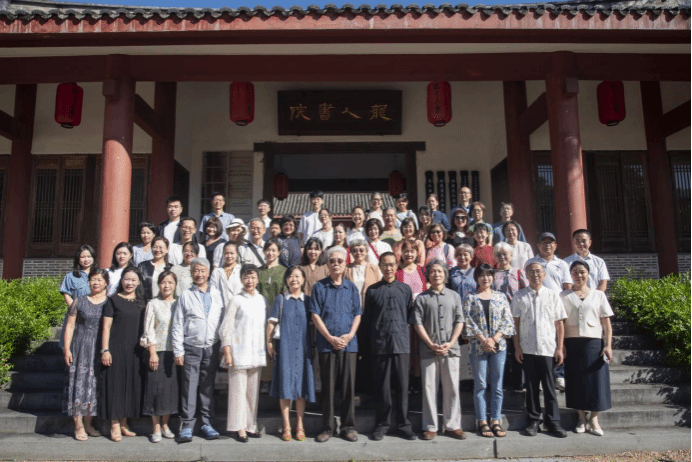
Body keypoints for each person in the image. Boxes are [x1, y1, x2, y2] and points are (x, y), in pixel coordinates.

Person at [310, 246, 362, 443]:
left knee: (348, 388)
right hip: (327, 344)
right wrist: (330, 337)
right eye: (332, 261)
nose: (336, 264)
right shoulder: (319, 287)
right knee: (328, 389)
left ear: (345, 264)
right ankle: (328, 427)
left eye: (340, 261)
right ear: (327, 264)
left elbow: (358, 314)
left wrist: (349, 336)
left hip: (349, 345)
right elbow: (315, 315)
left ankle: (348, 427)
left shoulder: (351, 287)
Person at [410, 260, 466, 440]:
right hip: (429, 350)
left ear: (445, 274)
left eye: (440, 271)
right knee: (429, 388)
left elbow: (460, 320)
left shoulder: (454, 296)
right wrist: (430, 343)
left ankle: (452, 425)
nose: (436, 274)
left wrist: (451, 342)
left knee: (452, 388)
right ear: (428, 275)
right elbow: (417, 323)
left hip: (451, 349)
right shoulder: (422, 298)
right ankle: (430, 426)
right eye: (433, 271)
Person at [511, 261, 568, 438]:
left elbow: (559, 324)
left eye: (538, 271)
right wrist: (517, 347)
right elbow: (515, 324)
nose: (535, 275)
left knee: (550, 388)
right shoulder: (519, 296)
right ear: (526, 275)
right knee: (531, 387)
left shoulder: (553, 295)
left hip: (548, 348)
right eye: (531, 272)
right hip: (527, 349)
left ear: (544, 274)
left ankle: (554, 422)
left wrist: (559, 347)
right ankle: (534, 420)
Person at [171, 258, 224, 443]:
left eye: (202, 271)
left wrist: (222, 346)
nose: (199, 274)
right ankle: (187, 425)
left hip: (212, 346)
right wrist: (178, 350)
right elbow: (177, 324)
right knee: (189, 387)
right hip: (191, 347)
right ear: (192, 273)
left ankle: (206, 423)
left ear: (208, 273)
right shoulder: (186, 295)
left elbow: (222, 321)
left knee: (207, 387)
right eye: (196, 271)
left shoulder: (217, 294)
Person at [364, 252, 416, 441]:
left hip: (401, 343)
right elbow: (368, 320)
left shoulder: (405, 289)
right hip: (380, 344)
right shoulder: (372, 291)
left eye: (392, 264)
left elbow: (409, 315)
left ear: (397, 266)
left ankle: (403, 424)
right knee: (382, 387)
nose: (389, 268)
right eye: (385, 265)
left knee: (403, 386)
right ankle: (382, 424)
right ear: (380, 266)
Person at [561, 260, 614, 437]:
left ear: (588, 274)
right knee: (576, 380)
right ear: (570, 275)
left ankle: (594, 419)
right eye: (575, 272)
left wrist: (608, 345)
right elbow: (560, 323)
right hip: (572, 343)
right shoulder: (563, 296)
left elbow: (606, 323)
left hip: (594, 343)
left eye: (582, 272)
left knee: (596, 381)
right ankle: (581, 418)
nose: (579, 275)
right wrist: (561, 345)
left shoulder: (598, 295)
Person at [463, 264, 515, 439]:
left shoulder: (501, 297)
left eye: (488, 275)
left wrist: (494, 339)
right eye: (482, 275)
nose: (485, 278)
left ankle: (495, 420)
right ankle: (482, 421)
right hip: (478, 347)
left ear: (493, 277)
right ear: (476, 278)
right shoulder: (470, 297)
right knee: (480, 385)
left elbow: (507, 321)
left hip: (498, 347)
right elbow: (467, 321)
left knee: (497, 385)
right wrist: (483, 339)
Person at [266, 266, 316, 442]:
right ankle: (286, 425)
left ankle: (300, 425)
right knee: (285, 387)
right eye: (291, 276)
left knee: (301, 387)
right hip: (284, 348)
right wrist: (269, 342)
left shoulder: (308, 301)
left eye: (298, 276)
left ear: (303, 279)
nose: (294, 279)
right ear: (286, 280)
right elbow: (271, 323)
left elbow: (314, 323)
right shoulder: (280, 300)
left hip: (303, 349)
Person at [220, 264, 267, 443]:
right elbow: (226, 327)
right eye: (246, 277)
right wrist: (227, 351)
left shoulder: (262, 300)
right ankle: (239, 428)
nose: (250, 281)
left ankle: (250, 426)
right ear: (241, 279)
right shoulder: (236, 300)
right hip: (238, 352)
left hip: (256, 352)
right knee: (238, 392)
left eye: (253, 277)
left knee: (252, 393)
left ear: (258, 279)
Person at [99, 266, 147, 442]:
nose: (130, 283)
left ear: (139, 282)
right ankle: (114, 424)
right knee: (116, 387)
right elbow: (106, 327)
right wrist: (105, 350)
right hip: (116, 349)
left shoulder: (142, 302)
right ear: (121, 281)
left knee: (130, 386)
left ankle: (124, 423)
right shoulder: (113, 300)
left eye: (133, 280)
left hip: (135, 351)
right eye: (127, 279)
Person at [62, 268, 109, 441]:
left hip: (99, 348)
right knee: (79, 384)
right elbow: (70, 325)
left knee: (93, 386)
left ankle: (89, 423)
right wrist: (67, 349)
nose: (95, 283)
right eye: (93, 279)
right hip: (80, 347)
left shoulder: (109, 303)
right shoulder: (79, 301)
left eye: (99, 280)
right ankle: (78, 425)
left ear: (106, 283)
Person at [525, 232, 572, 391]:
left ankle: (559, 375)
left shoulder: (562, 264)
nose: (547, 245)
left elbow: (567, 287)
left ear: (555, 246)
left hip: (557, 306)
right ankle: (539, 378)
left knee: (558, 340)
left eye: (550, 242)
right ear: (538, 246)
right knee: (539, 340)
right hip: (536, 306)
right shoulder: (531, 263)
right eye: (544, 242)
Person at [140, 271, 179, 443]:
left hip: (175, 352)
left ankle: (165, 425)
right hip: (157, 351)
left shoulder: (179, 304)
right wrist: (152, 352)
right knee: (155, 389)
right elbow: (148, 330)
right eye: (163, 282)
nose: (167, 285)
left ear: (175, 285)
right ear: (158, 285)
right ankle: (155, 427)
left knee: (170, 391)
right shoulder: (153, 304)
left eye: (170, 282)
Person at [344, 238, 381, 394]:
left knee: (368, 350)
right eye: (354, 250)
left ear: (366, 251)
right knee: (353, 352)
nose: (358, 253)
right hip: (351, 316)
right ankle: (354, 387)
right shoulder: (346, 270)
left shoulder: (374, 268)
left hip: (369, 316)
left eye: (361, 250)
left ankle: (369, 388)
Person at [492, 242, 528, 393]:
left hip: (516, 316)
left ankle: (519, 382)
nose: (502, 257)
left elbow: (526, 292)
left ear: (511, 256)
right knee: (501, 350)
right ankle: (503, 382)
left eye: (505, 254)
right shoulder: (492, 274)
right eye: (499, 254)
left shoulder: (519, 272)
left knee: (517, 347)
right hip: (498, 317)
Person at [258, 239, 287, 393]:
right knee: (263, 346)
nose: (270, 253)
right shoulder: (258, 271)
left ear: (279, 252)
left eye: (274, 250)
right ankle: (265, 379)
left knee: (277, 346)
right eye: (268, 250)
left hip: (278, 314)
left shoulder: (284, 271)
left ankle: (279, 380)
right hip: (260, 314)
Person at [59, 245, 97, 350]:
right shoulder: (71, 276)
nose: (86, 259)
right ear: (78, 259)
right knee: (72, 345)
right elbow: (66, 293)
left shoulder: (99, 275)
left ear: (93, 258)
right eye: (83, 257)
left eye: (89, 256)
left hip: (94, 315)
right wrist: (75, 309)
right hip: (76, 316)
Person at [138, 236, 172, 301]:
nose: (157, 250)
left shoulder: (171, 268)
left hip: (166, 302)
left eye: (161, 247)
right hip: (146, 302)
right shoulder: (143, 266)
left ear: (167, 249)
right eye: (155, 247)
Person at [210, 242, 242, 307]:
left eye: (232, 253)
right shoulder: (216, 272)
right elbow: (213, 292)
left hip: (238, 308)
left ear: (237, 254)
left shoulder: (241, 271)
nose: (229, 256)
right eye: (226, 253)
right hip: (221, 309)